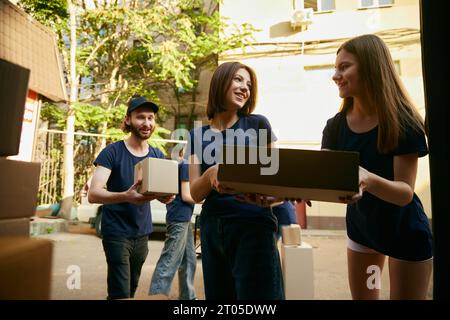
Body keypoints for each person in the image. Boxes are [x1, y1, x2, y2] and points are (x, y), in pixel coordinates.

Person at [322, 34, 433, 300]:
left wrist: (367, 179)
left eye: (344, 67)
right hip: (363, 234)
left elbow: (404, 193)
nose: (335, 75)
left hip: (405, 235)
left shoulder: (404, 122)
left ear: (371, 66)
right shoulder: (336, 126)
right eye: (335, 68)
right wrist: (280, 191)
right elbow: (322, 176)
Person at [186, 61, 284, 300]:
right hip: (213, 229)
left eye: (249, 84)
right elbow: (195, 193)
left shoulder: (258, 124)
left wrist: (269, 197)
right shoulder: (196, 135)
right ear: (221, 82)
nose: (245, 88)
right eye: (238, 80)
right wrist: (211, 175)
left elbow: (279, 182)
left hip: (253, 226)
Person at [88, 96, 174, 299]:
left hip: (142, 233)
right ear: (128, 120)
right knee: (120, 292)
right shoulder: (112, 152)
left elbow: (161, 193)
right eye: (140, 117)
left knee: (131, 288)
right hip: (116, 232)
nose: (147, 123)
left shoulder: (157, 156)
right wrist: (126, 196)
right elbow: (93, 193)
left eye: (151, 118)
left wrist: (164, 197)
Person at [149, 155, 197, 300]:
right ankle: (157, 295)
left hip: (184, 218)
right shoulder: (186, 165)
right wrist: (207, 199)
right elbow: (186, 195)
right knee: (169, 260)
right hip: (179, 218)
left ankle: (188, 297)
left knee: (189, 260)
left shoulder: (184, 164)